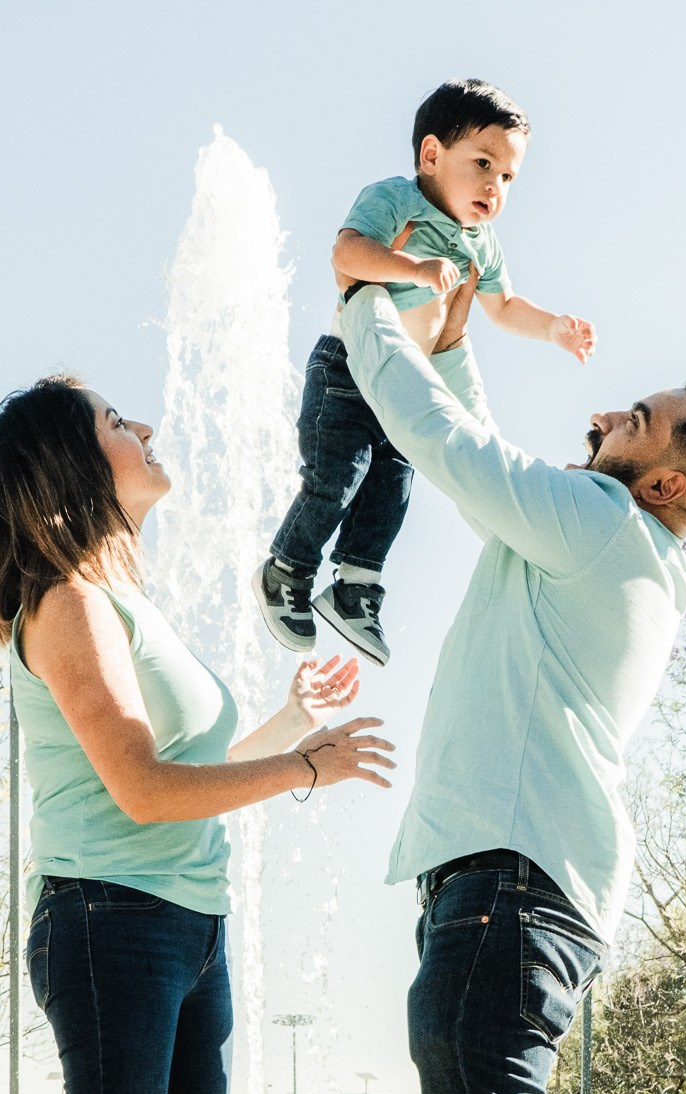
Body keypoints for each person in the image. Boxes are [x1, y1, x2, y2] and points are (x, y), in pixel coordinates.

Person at [335, 280, 686, 1094]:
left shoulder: (598, 520)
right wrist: (447, 334)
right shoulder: (605, 538)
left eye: (641, 419)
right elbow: (478, 439)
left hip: (508, 886)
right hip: (500, 885)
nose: (612, 411)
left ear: (661, 481)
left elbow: (445, 446)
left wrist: (362, 304)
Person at [0, 376, 396, 1094]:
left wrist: (288, 727)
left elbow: (187, 781)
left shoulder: (123, 600)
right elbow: (143, 791)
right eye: (118, 424)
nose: (148, 428)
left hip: (190, 929)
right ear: (72, 466)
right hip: (110, 923)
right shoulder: (69, 604)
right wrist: (305, 769)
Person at [255, 78, 595, 667]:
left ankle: (355, 587)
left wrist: (553, 328)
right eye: (483, 164)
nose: (495, 187)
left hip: (409, 382)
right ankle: (288, 568)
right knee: (339, 475)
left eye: (508, 177)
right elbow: (346, 254)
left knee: (395, 485)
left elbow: (503, 306)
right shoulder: (394, 199)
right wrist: (412, 267)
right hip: (348, 369)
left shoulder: (482, 242)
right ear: (432, 154)